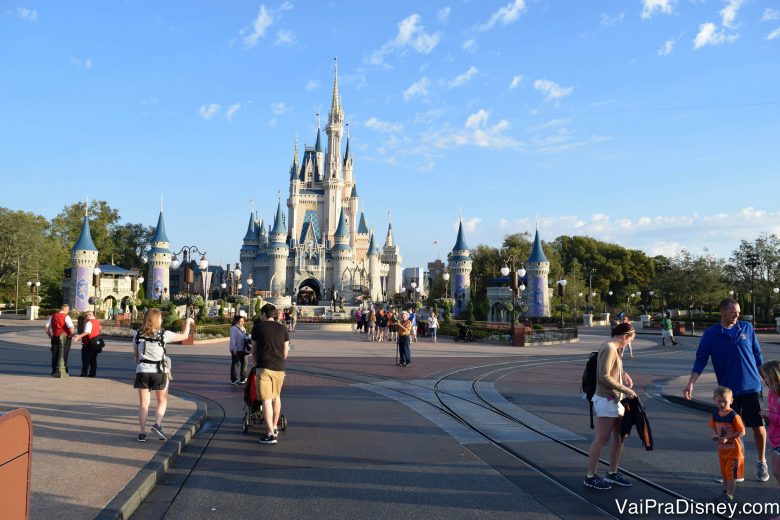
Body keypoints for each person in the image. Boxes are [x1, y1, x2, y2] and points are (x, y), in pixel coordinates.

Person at [684, 298, 769, 482]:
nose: (737, 315)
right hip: (728, 393)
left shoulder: (746, 328)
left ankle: (761, 462)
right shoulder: (711, 334)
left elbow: (757, 354)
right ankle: (735, 468)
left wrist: (767, 378)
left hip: (751, 386)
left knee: (758, 426)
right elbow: (700, 360)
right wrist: (691, 383)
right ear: (722, 312)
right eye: (733, 312)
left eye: (738, 312)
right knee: (731, 430)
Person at [584, 322, 637, 490]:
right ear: (624, 336)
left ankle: (612, 473)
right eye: (630, 340)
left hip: (616, 399)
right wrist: (626, 389)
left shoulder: (615, 348)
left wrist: (623, 374)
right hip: (606, 399)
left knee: (621, 436)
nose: (629, 344)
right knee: (602, 438)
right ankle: (590, 476)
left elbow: (611, 370)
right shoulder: (608, 348)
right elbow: (603, 376)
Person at [133, 309, 194, 442]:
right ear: (158, 319)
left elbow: (135, 356)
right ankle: (157, 424)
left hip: (142, 371)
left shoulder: (137, 334)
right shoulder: (164, 334)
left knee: (144, 403)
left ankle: (142, 433)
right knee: (162, 400)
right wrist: (188, 322)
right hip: (159, 372)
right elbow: (184, 336)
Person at [251, 303, 290, 445]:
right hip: (279, 367)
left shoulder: (258, 327)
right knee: (276, 397)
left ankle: (270, 434)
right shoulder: (283, 328)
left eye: (261, 314)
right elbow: (286, 350)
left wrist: (255, 364)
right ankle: (274, 426)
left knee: (266, 400)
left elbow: (253, 349)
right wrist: (280, 361)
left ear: (263, 314)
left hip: (264, 366)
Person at [710, 386, 745, 505]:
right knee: (724, 473)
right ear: (714, 400)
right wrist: (715, 435)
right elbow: (714, 428)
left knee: (730, 474)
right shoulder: (715, 414)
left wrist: (727, 438)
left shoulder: (734, 416)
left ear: (731, 401)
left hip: (734, 451)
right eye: (719, 401)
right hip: (722, 451)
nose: (722, 404)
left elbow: (742, 431)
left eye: (725, 401)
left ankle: (729, 496)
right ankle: (725, 493)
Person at [760, 361, 780, 496]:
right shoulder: (772, 393)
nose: (764, 379)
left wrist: (770, 415)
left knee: (778, 472)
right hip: (775, 439)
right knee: (776, 473)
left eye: (766, 376)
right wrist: (768, 414)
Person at [44, 303, 75, 375]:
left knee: (55, 353)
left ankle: (54, 370)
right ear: (65, 309)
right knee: (64, 354)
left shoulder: (53, 316)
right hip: (65, 338)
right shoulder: (66, 317)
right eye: (68, 310)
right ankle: (64, 370)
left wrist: (50, 336)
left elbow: (46, 327)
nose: (68, 311)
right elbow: (71, 328)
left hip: (55, 337)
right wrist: (72, 335)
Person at [72, 310, 101, 377]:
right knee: (93, 360)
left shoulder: (89, 322)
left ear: (90, 315)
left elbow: (87, 332)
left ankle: (84, 373)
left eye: (86, 316)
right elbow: (99, 330)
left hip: (88, 343)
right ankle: (92, 374)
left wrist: (79, 336)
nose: (85, 317)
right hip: (96, 342)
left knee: (85, 359)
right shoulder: (98, 322)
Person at [229, 315, 249, 385]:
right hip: (236, 349)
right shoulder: (233, 328)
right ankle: (233, 379)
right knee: (235, 364)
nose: (243, 322)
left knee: (245, 362)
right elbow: (233, 340)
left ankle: (243, 377)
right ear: (237, 321)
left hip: (243, 349)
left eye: (243, 321)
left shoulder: (243, 328)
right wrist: (234, 349)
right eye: (241, 321)